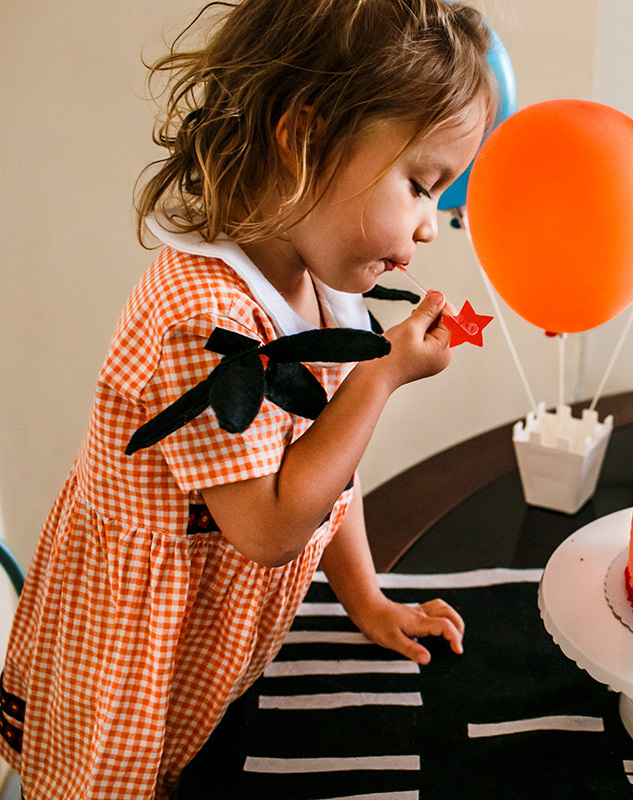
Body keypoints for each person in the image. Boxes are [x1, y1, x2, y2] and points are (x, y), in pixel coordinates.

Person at [0, 0, 496, 796]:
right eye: (419, 184)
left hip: (202, 642)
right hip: (129, 654)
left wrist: (365, 599)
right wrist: (380, 378)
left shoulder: (324, 288)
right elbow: (267, 526)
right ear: (304, 139)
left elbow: (329, 465)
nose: (431, 226)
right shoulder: (202, 318)